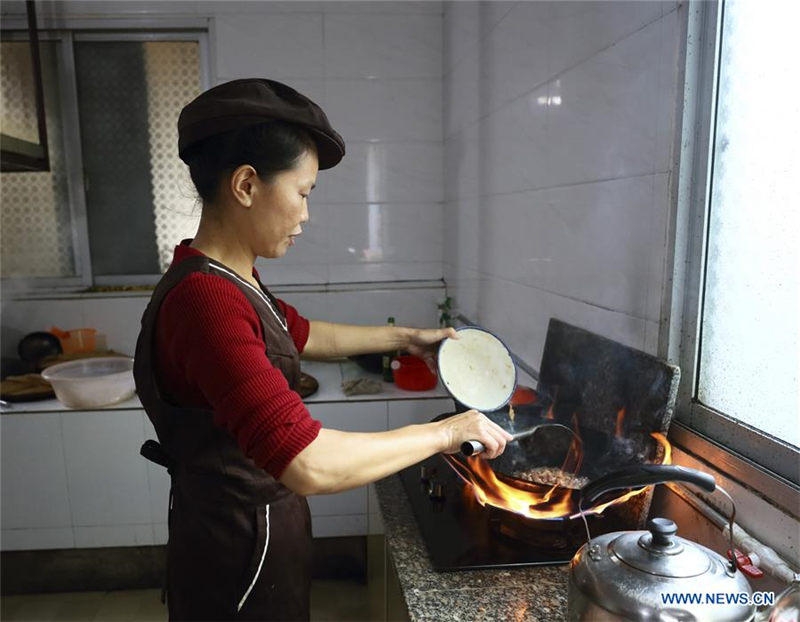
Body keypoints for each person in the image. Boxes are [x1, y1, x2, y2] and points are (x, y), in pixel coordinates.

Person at [133, 78, 512, 622]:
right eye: (303, 193)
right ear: (246, 185)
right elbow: (306, 463)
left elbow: (304, 333)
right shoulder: (206, 301)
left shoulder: (228, 279)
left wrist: (410, 339)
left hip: (249, 533)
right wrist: (446, 433)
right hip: (237, 554)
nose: (306, 216)